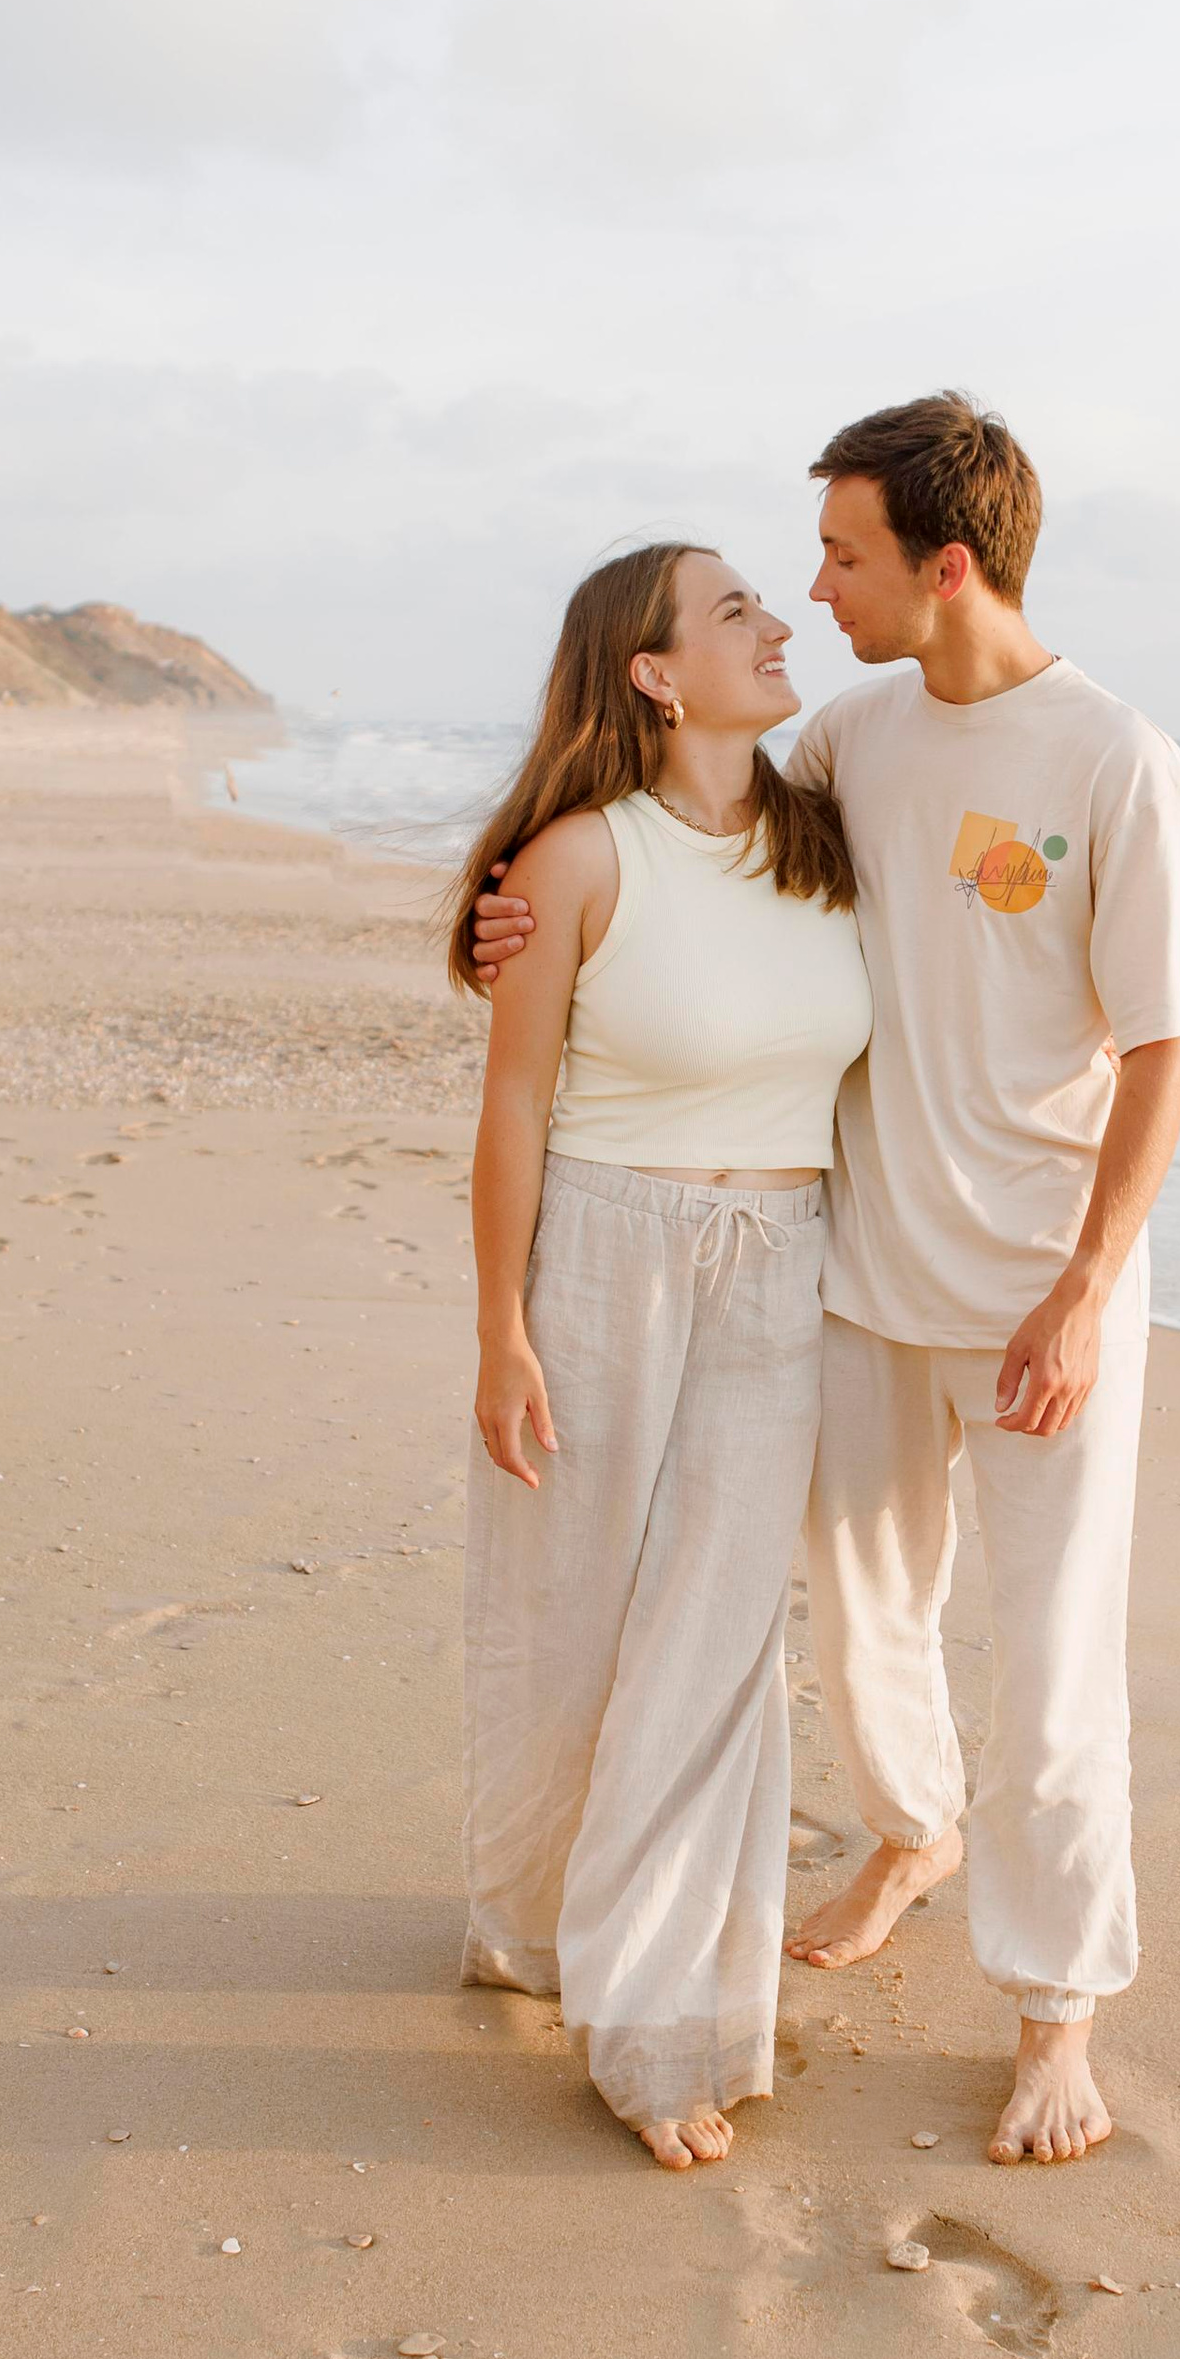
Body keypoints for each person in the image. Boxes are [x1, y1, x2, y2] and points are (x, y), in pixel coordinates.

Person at [474, 398, 1180, 2167]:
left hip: (1044, 1299)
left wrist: (1083, 1285)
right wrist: (500, 915)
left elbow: (1167, 1043)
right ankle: (915, 1831)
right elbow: (681, 846)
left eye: (842, 556)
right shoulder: (851, 741)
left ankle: (1057, 2018)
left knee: (1051, 1664)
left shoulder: (1117, 761)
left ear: (945, 565)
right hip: (853, 1275)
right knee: (863, 1611)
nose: (813, 590)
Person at [442, 542, 871, 2168]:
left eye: (775, 600)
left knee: (716, 1639)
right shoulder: (574, 859)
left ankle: (656, 2015)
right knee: (565, 1624)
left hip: (786, 1261)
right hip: (606, 1254)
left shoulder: (826, 840)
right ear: (651, 671)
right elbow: (514, 1103)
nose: (778, 626)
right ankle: (536, 1918)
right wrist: (500, 1332)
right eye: (738, 612)